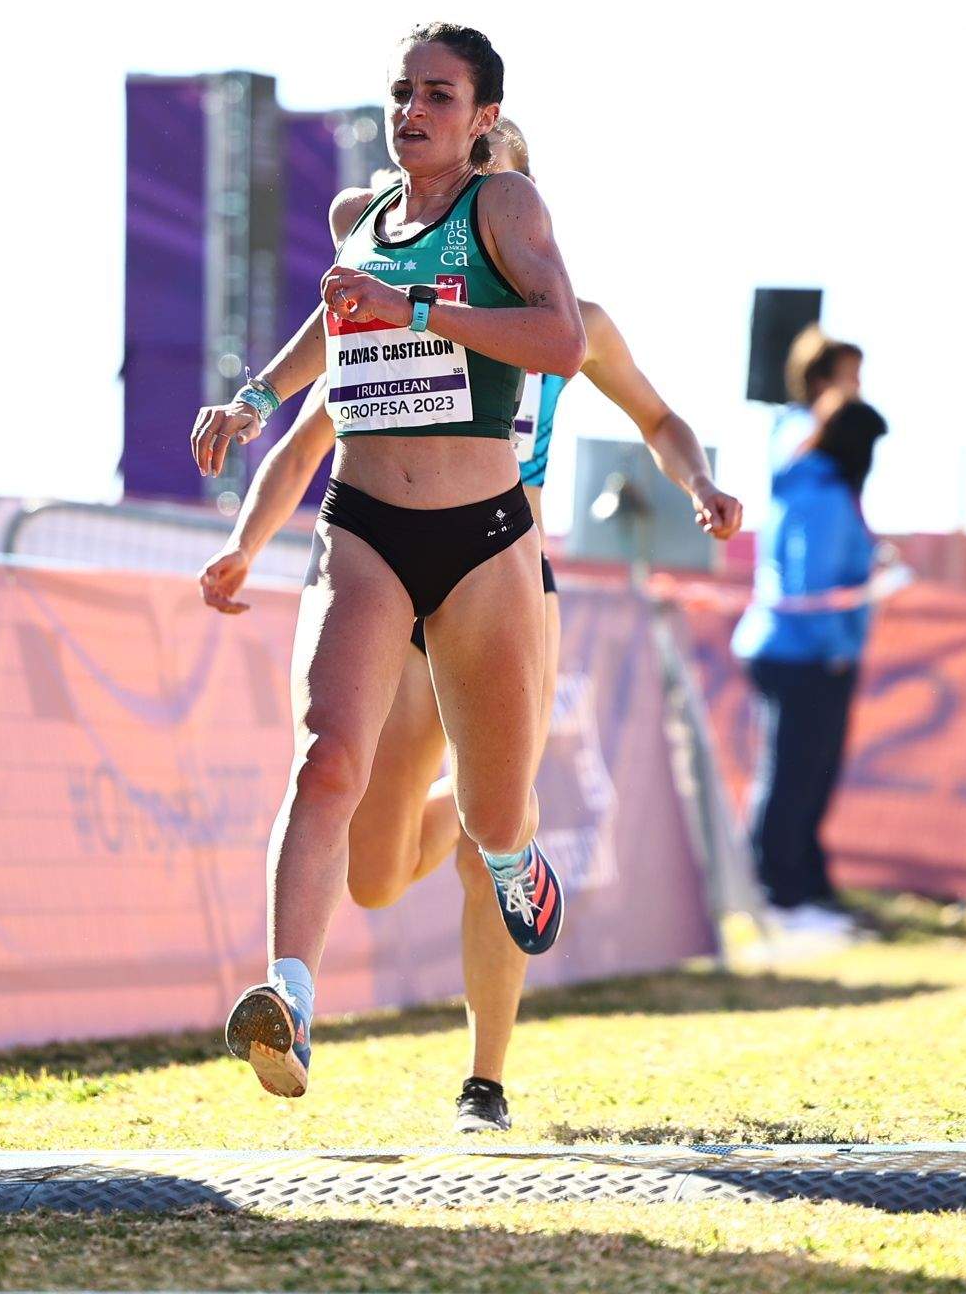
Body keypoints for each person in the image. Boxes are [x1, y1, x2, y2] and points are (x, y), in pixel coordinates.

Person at [198, 118, 743, 1130]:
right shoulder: (393, 298)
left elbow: (659, 419)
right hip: (392, 575)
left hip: (506, 576)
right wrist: (245, 542)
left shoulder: (571, 322)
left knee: (498, 828)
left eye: (490, 184)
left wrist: (699, 482)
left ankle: (484, 1079)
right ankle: (479, 814)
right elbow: (312, 436)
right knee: (374, 872)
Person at [188, 25, 586, 1101]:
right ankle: (287, 1001)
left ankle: (511, 854)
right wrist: (252, 400)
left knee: (494, 812)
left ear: (482, 117)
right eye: (402, 92)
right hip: (362, 527)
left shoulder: (503, 208)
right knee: (327, 762)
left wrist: (413, 308)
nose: (413, 111)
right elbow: (330, 332)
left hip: (484, 539)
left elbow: (560, 341)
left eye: (439, 95)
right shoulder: (356, 217)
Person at [729, 329, 883, 942]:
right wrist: (837, 646)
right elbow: (806, 583)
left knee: (809, 776)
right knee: (792, 775)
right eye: (848, 380)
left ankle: (807, 889)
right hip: (801, 653)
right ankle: (780, 897)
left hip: (810, 652)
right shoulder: (810, 477)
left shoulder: (820, 482)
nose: (856, 392)